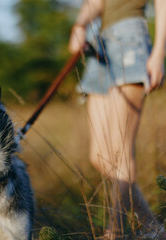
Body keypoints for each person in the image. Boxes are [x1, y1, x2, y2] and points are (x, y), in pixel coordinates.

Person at [68, 0, 166, 239]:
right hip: (100, 46)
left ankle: (115, 232)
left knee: (120, 151)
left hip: (130, 38)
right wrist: (80, 25)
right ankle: (153, 228)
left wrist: (159, 54)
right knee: (99, 156)